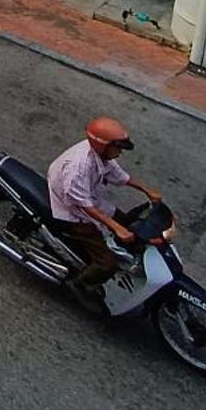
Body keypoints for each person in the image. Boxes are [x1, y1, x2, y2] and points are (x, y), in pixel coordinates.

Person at [46, 117, 163, 288]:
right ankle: (78, 285)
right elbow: (84, 206)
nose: (120, 152)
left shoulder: (101, 155)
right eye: (118, 147)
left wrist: (146, 190)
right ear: (104, 145)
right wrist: (116, 228)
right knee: (107, 265)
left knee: (130, 224)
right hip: (72, 212)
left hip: (91, 199)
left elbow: (119, 175)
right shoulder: (78, 167)